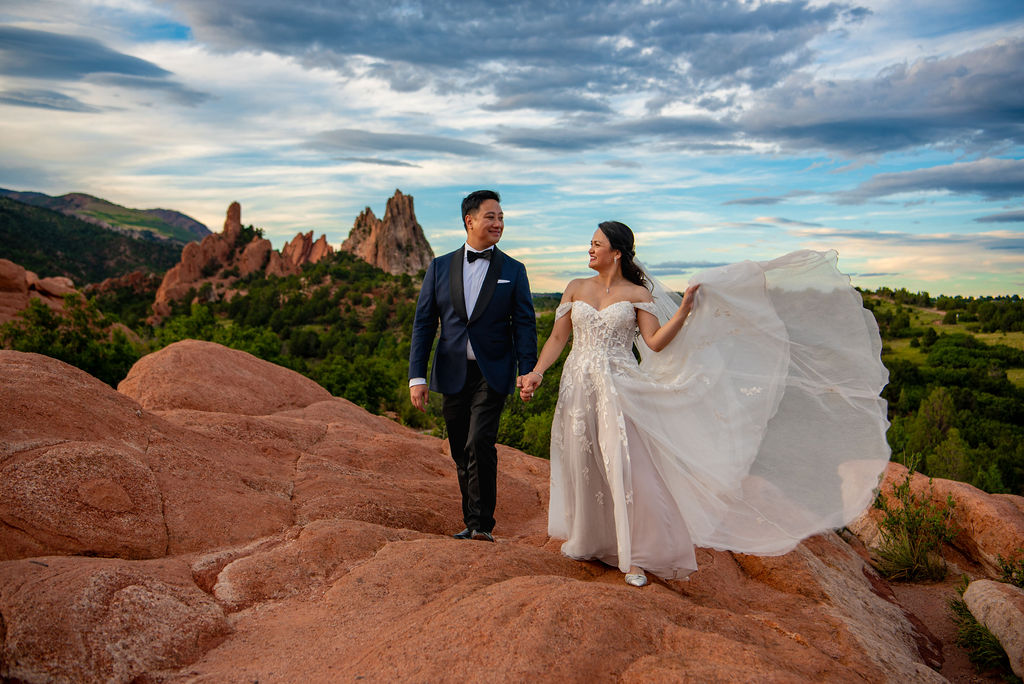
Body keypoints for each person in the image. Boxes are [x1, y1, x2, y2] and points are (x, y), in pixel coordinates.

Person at [520, 221, 890, 587]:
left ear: (616, 252)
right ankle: (592, 540)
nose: (590, 249)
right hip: (577, 385)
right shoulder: (574, 287)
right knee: (584, 461)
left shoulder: (637, 294)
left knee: (626, 465)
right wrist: (537, 372)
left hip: (620, 387)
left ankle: (634, 555)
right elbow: (557, 338)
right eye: (591, 243)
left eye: (596, 243)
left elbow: (654, 343)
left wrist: (683, 311)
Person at [409, 190, 538, 542]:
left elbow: (524, 324)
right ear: (470, 220)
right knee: (459, 449)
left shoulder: (514, 270)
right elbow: (424, 323)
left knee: (479, 441)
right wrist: (416, 376)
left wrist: (527, 371)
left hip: (493, 370)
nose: (498, 223)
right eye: (491, 217)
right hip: (452, 371)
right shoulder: (439, 267)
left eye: (501, 217)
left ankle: (481, 524)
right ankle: (472, 520)